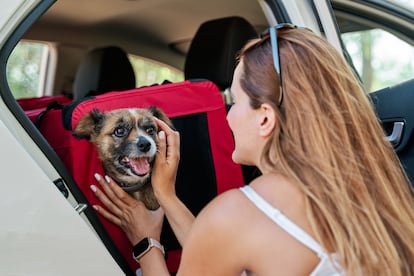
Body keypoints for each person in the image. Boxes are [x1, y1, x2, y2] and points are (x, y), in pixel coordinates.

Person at [90, 24, 414, 275]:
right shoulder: (382, 194)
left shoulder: (235, 215)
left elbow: (224, 239)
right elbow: (222, 251)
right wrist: (167, 197)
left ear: (265, 119)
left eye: (235, 101)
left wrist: (147, 243)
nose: (227, 114)